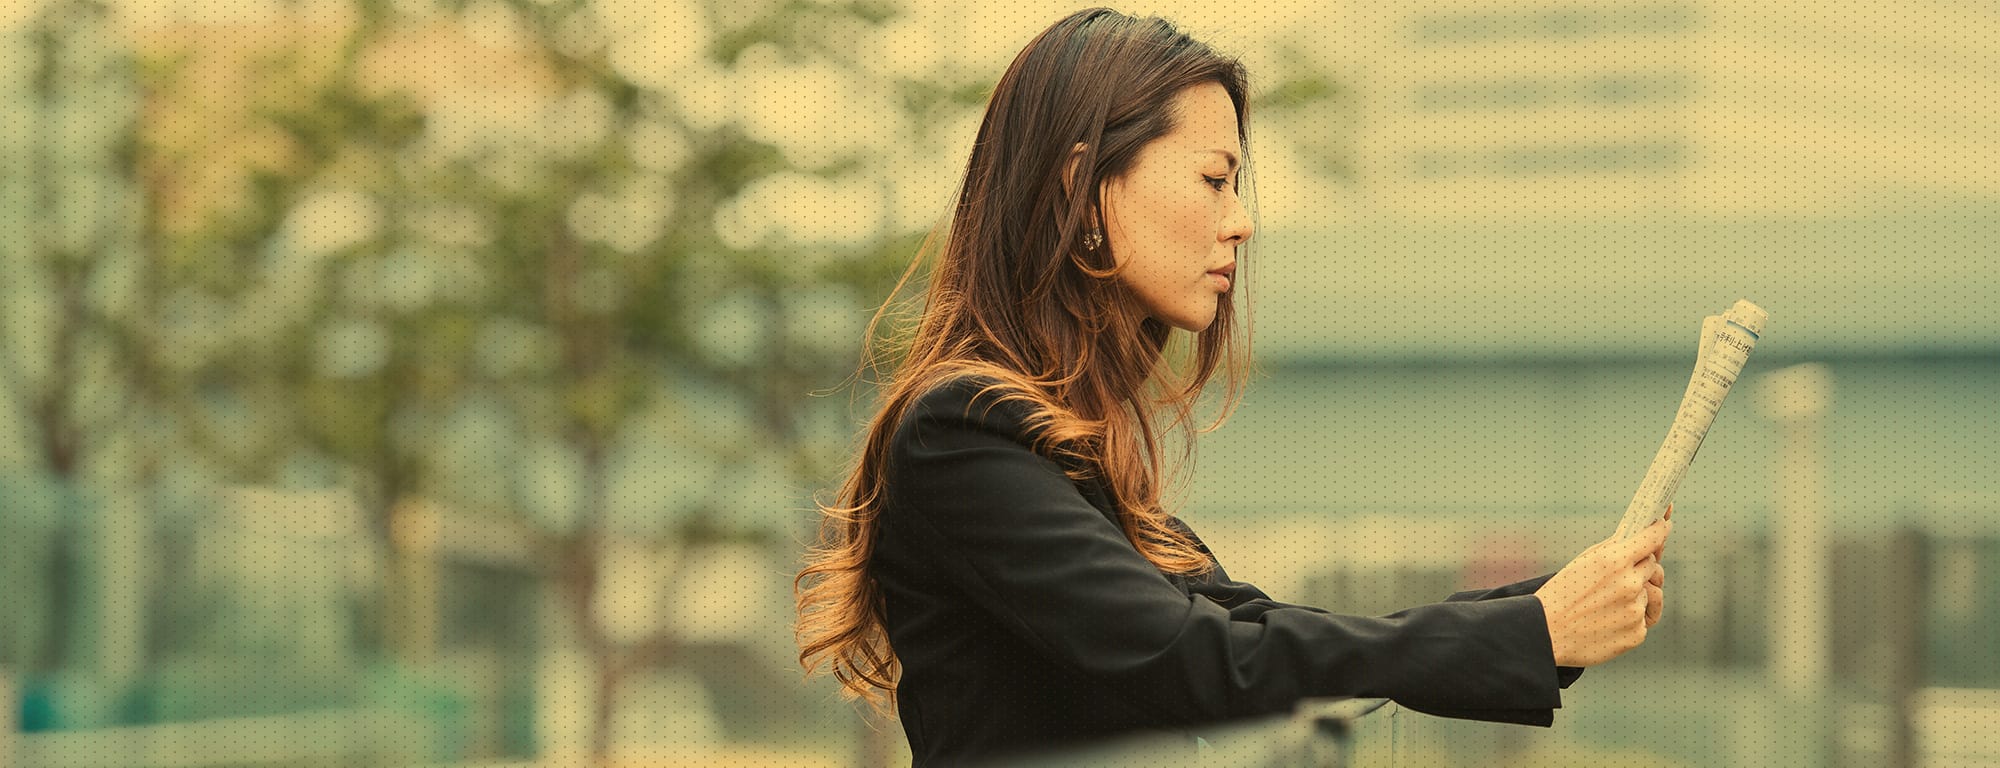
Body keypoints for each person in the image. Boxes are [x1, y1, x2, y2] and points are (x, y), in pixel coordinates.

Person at [794, 8, 1672, 766]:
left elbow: (1254, 629)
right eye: (1214, 180)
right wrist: (1531, 630)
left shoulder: (1062, 458)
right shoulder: (962, 435)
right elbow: (1199, 659)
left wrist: (1548, 607)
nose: (1241, 222)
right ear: (1081, 187)